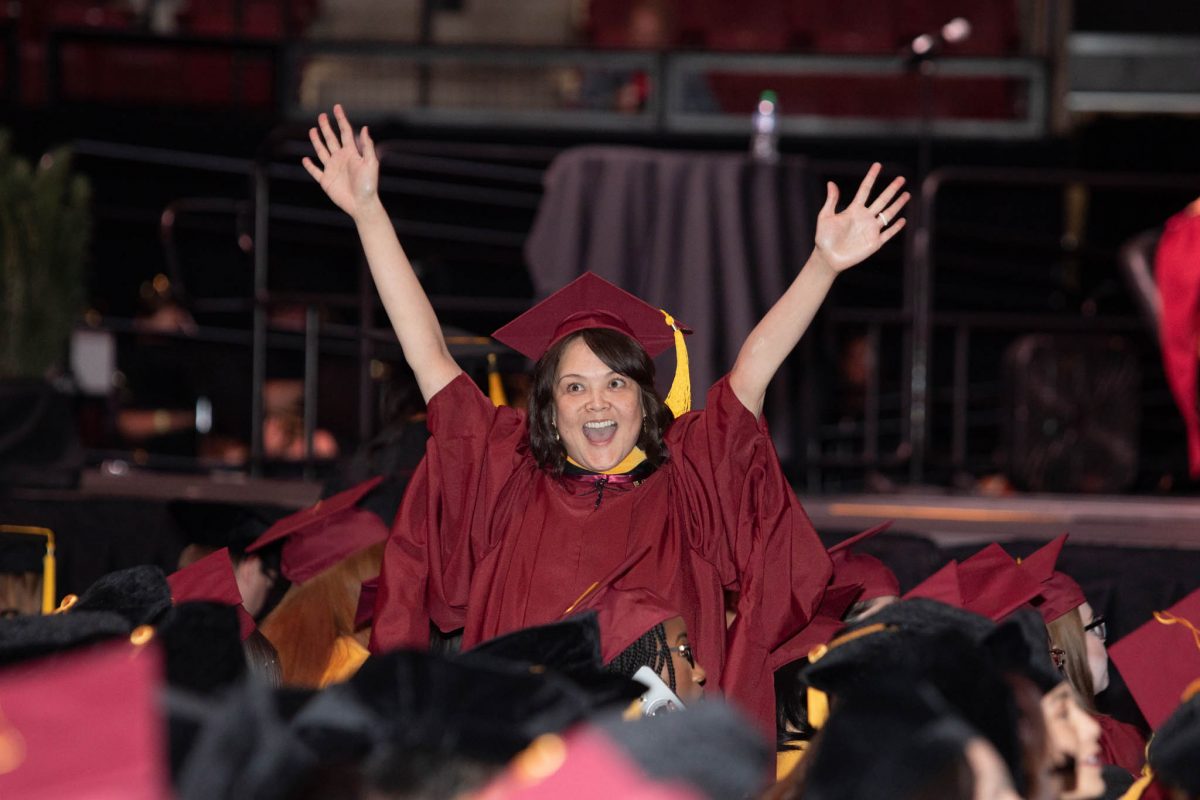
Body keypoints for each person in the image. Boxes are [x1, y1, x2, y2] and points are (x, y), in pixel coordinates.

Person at [302, 103, 909, 731]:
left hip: (659, 760)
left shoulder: (690, 482)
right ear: (549, 408)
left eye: (615, 382)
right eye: (573, 386)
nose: (596, 401)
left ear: (645, 399)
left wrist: (823, 266)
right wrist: (369, 213)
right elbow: (429, 357)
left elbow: (750, 373)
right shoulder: (506, 477)